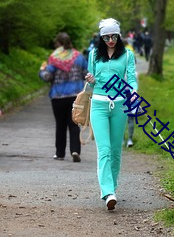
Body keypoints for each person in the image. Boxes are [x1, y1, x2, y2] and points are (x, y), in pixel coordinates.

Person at [85, 18, 138, 210]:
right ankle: (107, 192)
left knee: (116, 151)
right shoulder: (93, 55)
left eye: (114, 36)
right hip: (98, 105)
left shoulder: (127, 55)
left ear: (119, 35)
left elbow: (131, 79)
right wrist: (90, 79)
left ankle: (112, 188)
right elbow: (91, 84)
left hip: (120, 106)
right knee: (104, 150)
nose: (110, 40)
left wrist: (133, 93)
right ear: (101, 37)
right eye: (106, 37)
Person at [39, 32, 88, 162]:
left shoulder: (54, 58)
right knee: (74, 124)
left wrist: (42, 70)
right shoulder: (79, 57)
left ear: (58, 44)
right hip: (75, 96)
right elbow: (86, 74)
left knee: (60, 125)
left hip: (58, 96)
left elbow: (47, 77)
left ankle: (60, 153)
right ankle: (75, 150)